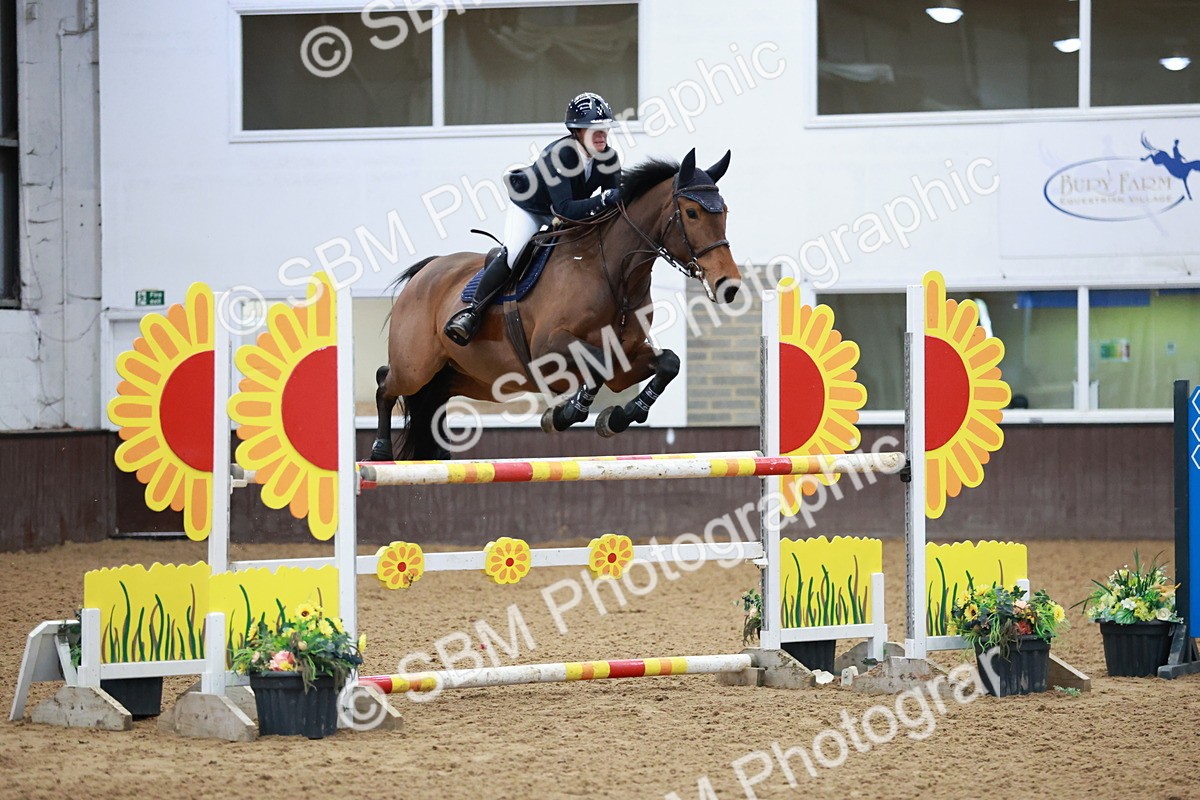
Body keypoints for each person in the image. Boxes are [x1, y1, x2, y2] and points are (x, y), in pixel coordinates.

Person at [443, 92, 624, 346]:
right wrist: (604, 200)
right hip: (532, 207)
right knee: (515, 253)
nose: (603, 135)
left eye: (605, 129)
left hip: (568, 208)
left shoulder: (609, 158)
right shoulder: (559, 156)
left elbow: (613, 205)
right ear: (577, 133)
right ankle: (472, 312)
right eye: (595, 130)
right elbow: (565, 209)